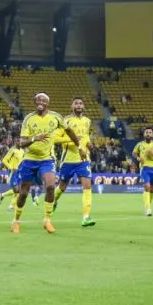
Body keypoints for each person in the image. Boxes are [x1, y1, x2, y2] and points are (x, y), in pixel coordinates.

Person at [10, 93, 84, 234]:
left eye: (44, 100)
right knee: (23, 193)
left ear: (47, 103)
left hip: (47, 159)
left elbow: (69, 131)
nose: (41, 102)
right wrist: (34, 138)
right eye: (38, 100)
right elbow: (21, 143)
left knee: (50, 187)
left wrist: (79, 147)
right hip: (29, 159)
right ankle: (16, 221)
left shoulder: (56, 117)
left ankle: (47, 220)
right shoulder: (29, 119)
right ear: (34, 102)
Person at [52, 97, 96, 227]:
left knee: (87, 186)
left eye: (81, 103)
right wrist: (72, 140)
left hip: (83, 159)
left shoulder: (87, 121)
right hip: (68, 160)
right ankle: (53, 200)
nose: (79, 105)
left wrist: (88, 144)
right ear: (71, 106)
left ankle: (86, 217)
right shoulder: (66, 121)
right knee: (62, 187)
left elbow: (85, 135)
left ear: (83, 106)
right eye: (76, 103)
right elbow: (55, 138)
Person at [132, 127, 153, 216]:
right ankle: (148, 209)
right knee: (147, 186)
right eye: (146, 132)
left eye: (150, 132)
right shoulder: (140, 144)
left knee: (151, 189)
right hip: (144, 168)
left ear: (152, 135)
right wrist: (138, 158)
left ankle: (148, 205)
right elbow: (134, 153)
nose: (148, 134)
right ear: (144, 134)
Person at [0, 139, 38, 209]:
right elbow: (4, 160)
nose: (19, 143)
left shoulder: (22, 151)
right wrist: (11, 168)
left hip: (19, 172)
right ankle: (3, 195)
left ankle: (11, 206)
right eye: (17, 141)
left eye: (20, 141)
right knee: (16, 190)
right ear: (15, 142)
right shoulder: (12, 150)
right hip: (13, 172)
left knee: (18, 191)